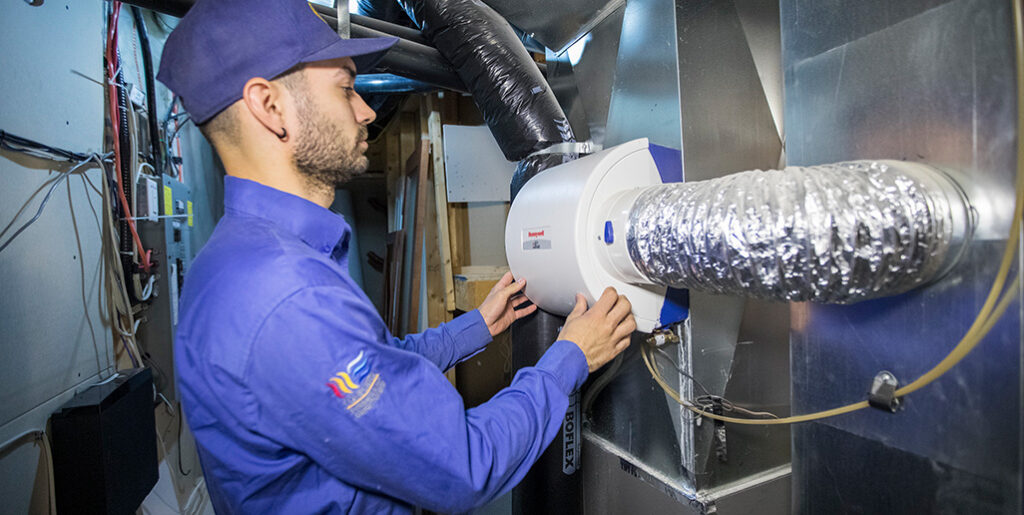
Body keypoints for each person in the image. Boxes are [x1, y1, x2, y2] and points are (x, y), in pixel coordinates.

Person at [158, 0, 636, 512]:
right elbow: (463, 465)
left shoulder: (240, 259)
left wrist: (472, 328)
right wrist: (570, 358)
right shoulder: (288, 296)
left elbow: (374, 370)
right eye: (345, 89)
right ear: (268, 107)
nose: (366, 110)